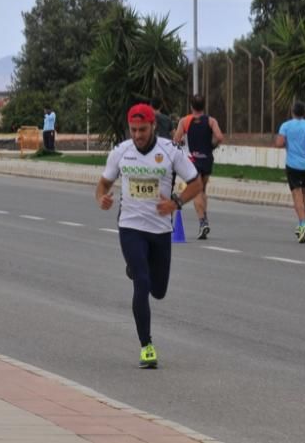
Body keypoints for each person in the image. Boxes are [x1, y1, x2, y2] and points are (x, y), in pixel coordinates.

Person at [95, 103, 202, 369]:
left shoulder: (170, 151)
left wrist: (175, 203)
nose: (138, 135)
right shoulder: (121, 152)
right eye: (133, 130)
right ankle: (147, 346)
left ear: (153, 125)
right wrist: (102, 199)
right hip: (131, 226)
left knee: (159, 290)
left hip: (160, 230)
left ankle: (136, 269)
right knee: (141, 283)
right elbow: (103, 184)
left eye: (143, 129)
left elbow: (197, 183)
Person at [172, 94, 225, 240]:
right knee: (202, 190)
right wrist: (211, 146)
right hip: (207, 158)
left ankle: (203, 222)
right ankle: (204, 217)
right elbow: (220, 137)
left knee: (196, 191)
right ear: (204, 106)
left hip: (192, 159)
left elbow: (176, 139)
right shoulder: (211, 121)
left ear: (191, 106)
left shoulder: (185, 121)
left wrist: (182, 142)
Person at [276, 101, 305, 243]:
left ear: (292, 112)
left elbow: (279, 143)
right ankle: (301, 223)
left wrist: (287, 143)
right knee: (303, 192)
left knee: (296, 193)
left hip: (293, 164)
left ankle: (303, 223)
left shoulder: (286, 125)